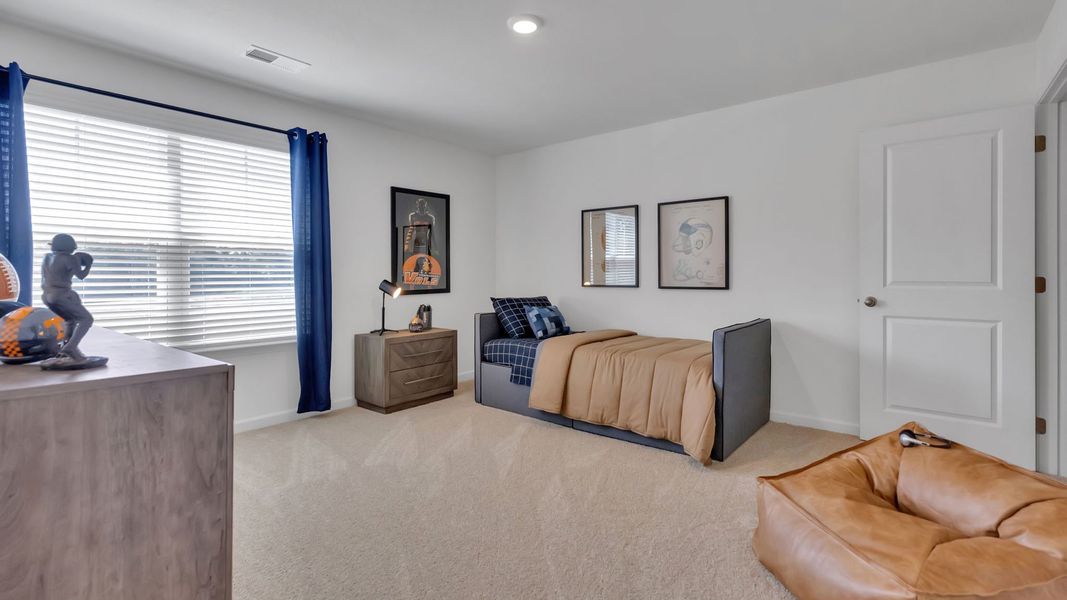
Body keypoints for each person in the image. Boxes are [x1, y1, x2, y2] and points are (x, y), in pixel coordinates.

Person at [40, 234, 106, 369]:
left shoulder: (47, 257)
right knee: (86, 319)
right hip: (60, 294)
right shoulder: (70, 258)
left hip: (47, 295)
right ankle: (71, 348)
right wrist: (88, 265)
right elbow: (81, 276)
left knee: (70, 320)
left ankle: (65, 350)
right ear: (70, 246)